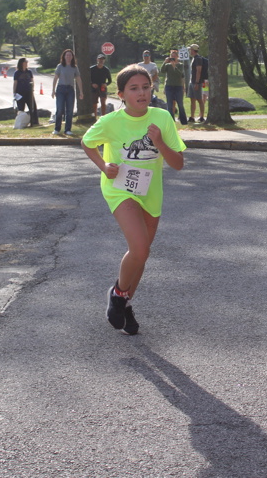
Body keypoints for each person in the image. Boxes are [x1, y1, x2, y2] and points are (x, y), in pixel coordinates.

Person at [81, 64, 186, 335]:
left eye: (146, 87)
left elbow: (178, 164)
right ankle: (118, 295)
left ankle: (125, 304)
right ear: (121, 95)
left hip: (150, 192)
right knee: (139, 249)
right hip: (119, 189)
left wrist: (159, 142)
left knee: (142, 255)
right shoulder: (110, 121)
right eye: (134, 88)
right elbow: (87, 142)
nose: (142, 93)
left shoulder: (162, 117)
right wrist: (104, 165)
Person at [52, 48, 84, 136]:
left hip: (70, 90)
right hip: (61, 89)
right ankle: (57, 128)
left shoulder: (74, 67)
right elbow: (55, 78)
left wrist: (81, 91)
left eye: (70, 55)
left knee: (69, 111)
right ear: (64, 56)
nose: (68, 57)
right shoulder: (60, 66)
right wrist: (53, 90)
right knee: (60, 109)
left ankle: (67, 129)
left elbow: (78, 79)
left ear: (72, 57)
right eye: (67, 55)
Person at [161, 49, 188, 125]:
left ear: (177, 57)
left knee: (180, 104)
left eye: (174, 56)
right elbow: (162, 71)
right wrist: (165, 62)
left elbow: (181, 74)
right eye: (171, 56)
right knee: (169, 105)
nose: (173, 58)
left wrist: (174, 67)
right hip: (169, 86)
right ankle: (171, 121)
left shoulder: (180, 65)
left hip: (178, 87)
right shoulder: (167, 65)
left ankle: (183, 121)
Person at [13, 57, 39, 127]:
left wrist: (32, 89)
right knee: (21, 108)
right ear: (22, 63)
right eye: (25, 62)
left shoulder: (29, 72)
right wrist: (14, 92)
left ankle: (34, 121)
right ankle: (21, 122)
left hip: (29, 92)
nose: (27, 63)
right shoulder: (17, 73)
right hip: (20, 92)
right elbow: (15, 83)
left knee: (32, 107)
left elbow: (32, 80)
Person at [188, 44, 208, 123]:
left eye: (190, 50)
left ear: (193, 50)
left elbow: (198, 71)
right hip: (192, 81)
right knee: (192, 99)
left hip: (197, 82)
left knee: (199, 99)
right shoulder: (193, 58)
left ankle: (201, 116)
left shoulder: (198, 59)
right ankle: (192, 117)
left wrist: (196, 82)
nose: (190, 51)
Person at [90, 54, 112, 118]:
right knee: (94, 104)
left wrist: (106, 84)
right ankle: (94, 117)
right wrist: (92, 84)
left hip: (102, 88)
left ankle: (103, 117)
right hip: (94, 88)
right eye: (100, 59)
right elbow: (87, 79)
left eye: (102, 59)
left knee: (103, 102)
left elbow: (110, 80)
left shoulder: (106, 69)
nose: (101, 60)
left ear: (104, 60)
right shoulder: (92, 69)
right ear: (97, 60)